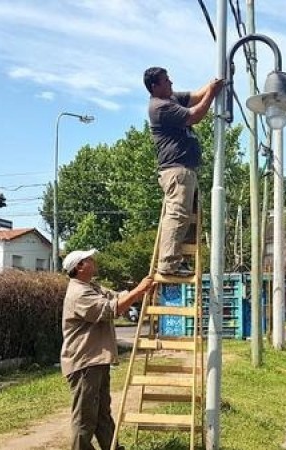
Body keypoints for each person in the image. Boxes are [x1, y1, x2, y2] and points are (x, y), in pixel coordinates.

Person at [60, 248, 156, 450]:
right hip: (84, 362)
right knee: (85, 418)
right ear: (79, 267)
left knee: (102, 414)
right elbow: (111, 309)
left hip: (95, 361)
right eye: (89, 259)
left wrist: (140, 292)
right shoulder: (79, 293)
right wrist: (139, 290)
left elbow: (118, 298)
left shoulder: (91, 287)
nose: (94, 261)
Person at [143, 67, 224, 276]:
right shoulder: (160, 107)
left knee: (185, 216)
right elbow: (194, 115)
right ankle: (168, 264)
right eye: (166, 81)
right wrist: (213, 93)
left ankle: (179, 259)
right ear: (155, 86)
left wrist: (216, 81)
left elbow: (196, 96)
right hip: (176, 170)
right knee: (177, 214)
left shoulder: (171, 99)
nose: (171, 83)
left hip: (184, 170)